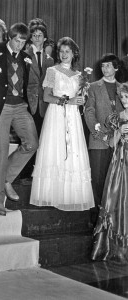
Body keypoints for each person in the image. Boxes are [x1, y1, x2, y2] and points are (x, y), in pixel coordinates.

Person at [0, 22, 39, 216]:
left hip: (20, 106)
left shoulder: (27, 58)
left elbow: (29, 85)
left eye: (23, 41)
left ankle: (5, 179)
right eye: (16, 40)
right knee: (1, 152)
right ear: (9, 38)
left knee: (31, 144)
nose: (19, 45)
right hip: (1, 107)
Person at [30, 37, 94, 211]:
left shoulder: (80, 76)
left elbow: (79, 99)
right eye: (61, 51)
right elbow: (46, 97)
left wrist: (81, 100)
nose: (64, 54)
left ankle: (70, 196)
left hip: (73, 117)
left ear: (74, 54)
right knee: (55, 150)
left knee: (73, 152)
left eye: (68, 51)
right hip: (56, 115)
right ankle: (51, 195)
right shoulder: (52, 71)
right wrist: (68, 101)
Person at [91, 82, 128, 264]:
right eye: (122, 97)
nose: (124, 100)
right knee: (117, 200)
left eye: (127, 97)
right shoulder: (117, 117)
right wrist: (120, 132)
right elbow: (112, 144)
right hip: (120, 163)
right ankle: (115, 247)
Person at [84, 53, 124, 224]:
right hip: (99, 141)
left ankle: (114, 218)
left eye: (108, 65)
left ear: (116, 68)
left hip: (120, 142)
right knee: (98, 180)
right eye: (102, 65)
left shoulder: (123, 88)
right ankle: (96, 219)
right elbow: (89, 113)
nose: (105, 68)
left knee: (117, 181)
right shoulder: (93, 87)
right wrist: (102, 136)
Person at [19, 23, 54, 182]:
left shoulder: (50, 59)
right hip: (28, 102)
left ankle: (37, 173)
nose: (37, 38)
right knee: (28, 138)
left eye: (40, 35)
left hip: (44, 105)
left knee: (41, 137)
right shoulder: (23, 54)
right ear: (30, 38)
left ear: (45, 39)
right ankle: (25, 173)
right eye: (34, 35)